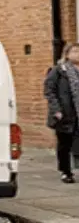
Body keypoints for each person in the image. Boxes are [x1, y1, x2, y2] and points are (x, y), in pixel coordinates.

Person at [44, 43, 79, 183]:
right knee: (65, 144)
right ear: (67, 54)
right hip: (65, 113)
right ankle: (66, 171)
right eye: (75, 51)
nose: (77, 54)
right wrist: (56, 109)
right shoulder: (58, 70)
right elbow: (49, 90)